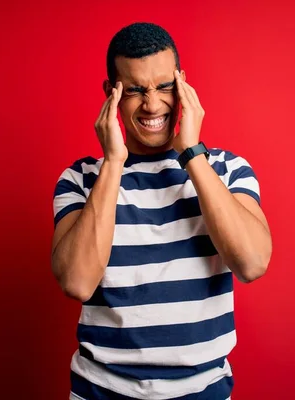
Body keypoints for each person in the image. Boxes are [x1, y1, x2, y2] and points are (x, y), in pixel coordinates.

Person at [51, 22, 272, 400]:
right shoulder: (82, 179)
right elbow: (76, 281)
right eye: (135, 90)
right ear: (111, 94)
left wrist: (192, 154)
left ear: (183, 83)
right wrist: (114, 162)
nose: (153, 104)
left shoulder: (226, 170)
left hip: (204, 391)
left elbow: (252, 263)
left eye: (164, 86)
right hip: (100, 391)